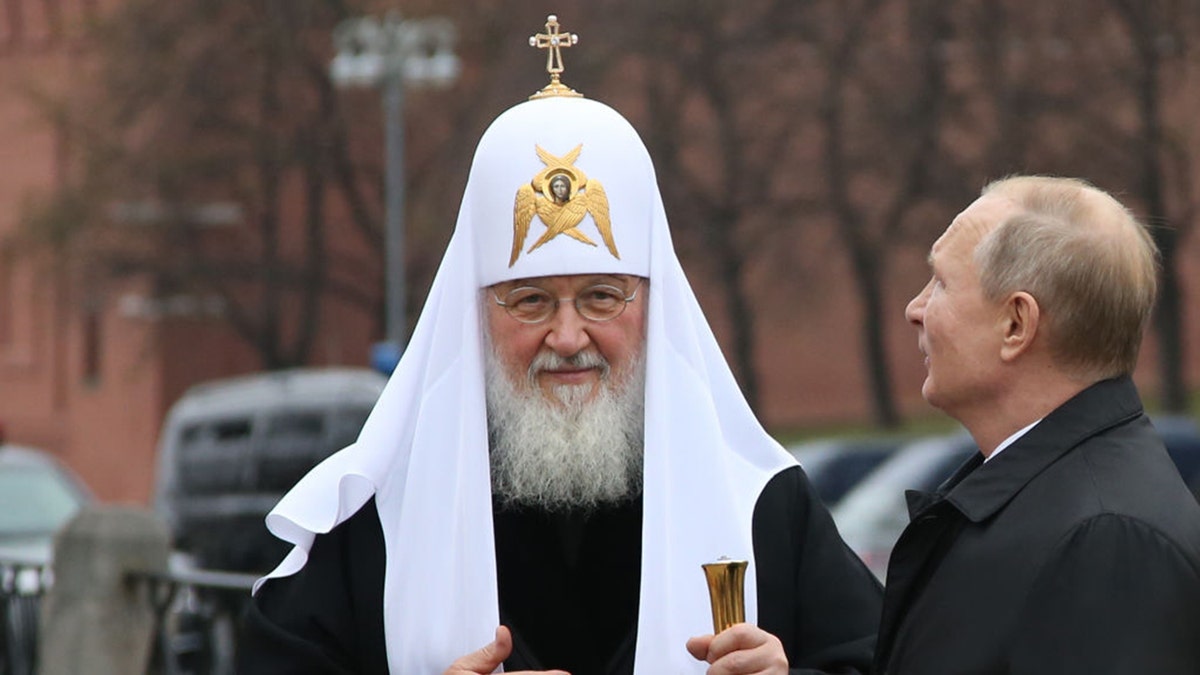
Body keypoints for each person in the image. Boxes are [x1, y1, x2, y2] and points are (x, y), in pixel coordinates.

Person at [237, 20, 882, 675]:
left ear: (651, 305)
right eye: (531, 300)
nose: (569, 338)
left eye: (602, 297)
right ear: (478, 312)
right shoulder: (371, 518)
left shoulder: (762, 504)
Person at [876, 175, 1200, 674]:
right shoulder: (1051, 506)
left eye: (940, 282)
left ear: (1016, 325)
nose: (914, 309)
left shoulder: (1105, 540)